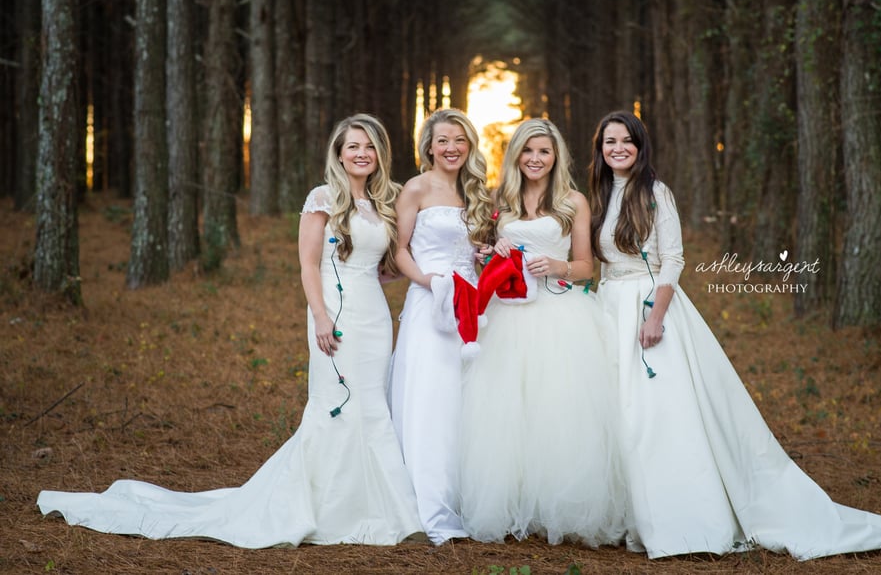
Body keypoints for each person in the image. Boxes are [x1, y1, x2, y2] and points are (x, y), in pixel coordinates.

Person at [37, 114, 425, 548]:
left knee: (372, 406)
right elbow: (308, 264)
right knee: (335, 404)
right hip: (334, 315)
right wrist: (319, 315)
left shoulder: (383, 203)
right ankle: (317, 509)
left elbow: (383, 265)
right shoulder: (322, 199)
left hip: (373, 315)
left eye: (369, 146)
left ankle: (386, 511)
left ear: (380, 154)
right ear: (338, 153)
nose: (361, 154)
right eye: (353, 146)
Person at [587, 110, 881, 560]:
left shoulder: (656, 193)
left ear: (640, 146)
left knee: (657, 417)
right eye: (609, 142)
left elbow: (673, 259)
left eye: (626, 141)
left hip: (647, 304)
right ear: (599, 149)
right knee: (615, 414)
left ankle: (679, 518)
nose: (618, 149)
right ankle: (624, 513)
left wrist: (654, 317)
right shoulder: (594, 196)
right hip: (608, 306)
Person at [459, 118, 627, 547]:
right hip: (509, 313)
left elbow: (589, 267)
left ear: (556, 158)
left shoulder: (573, 202)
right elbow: (481, 256)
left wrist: (559, 266)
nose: (535, 159)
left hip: (560, 312)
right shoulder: (500, 201)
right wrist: (488, 251)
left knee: (557, 409)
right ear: (516, 154)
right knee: (507, 409)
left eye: (544, 152)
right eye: (528, 151)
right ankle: (514, 500)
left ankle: (558, 505)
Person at [387, 108, 491, 544]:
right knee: (431, 399)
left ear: (470, 146)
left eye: (460, 140)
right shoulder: (416, 188)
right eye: (443, 140)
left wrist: (483, 258)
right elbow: (400, 250)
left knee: (468, 403)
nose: (451, 148)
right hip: (431, 305)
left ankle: (469, 495)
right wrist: (427, 281)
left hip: (471, 307)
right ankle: (429, 502)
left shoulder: (477, 193)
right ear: (429, 146)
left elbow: (474, 250)